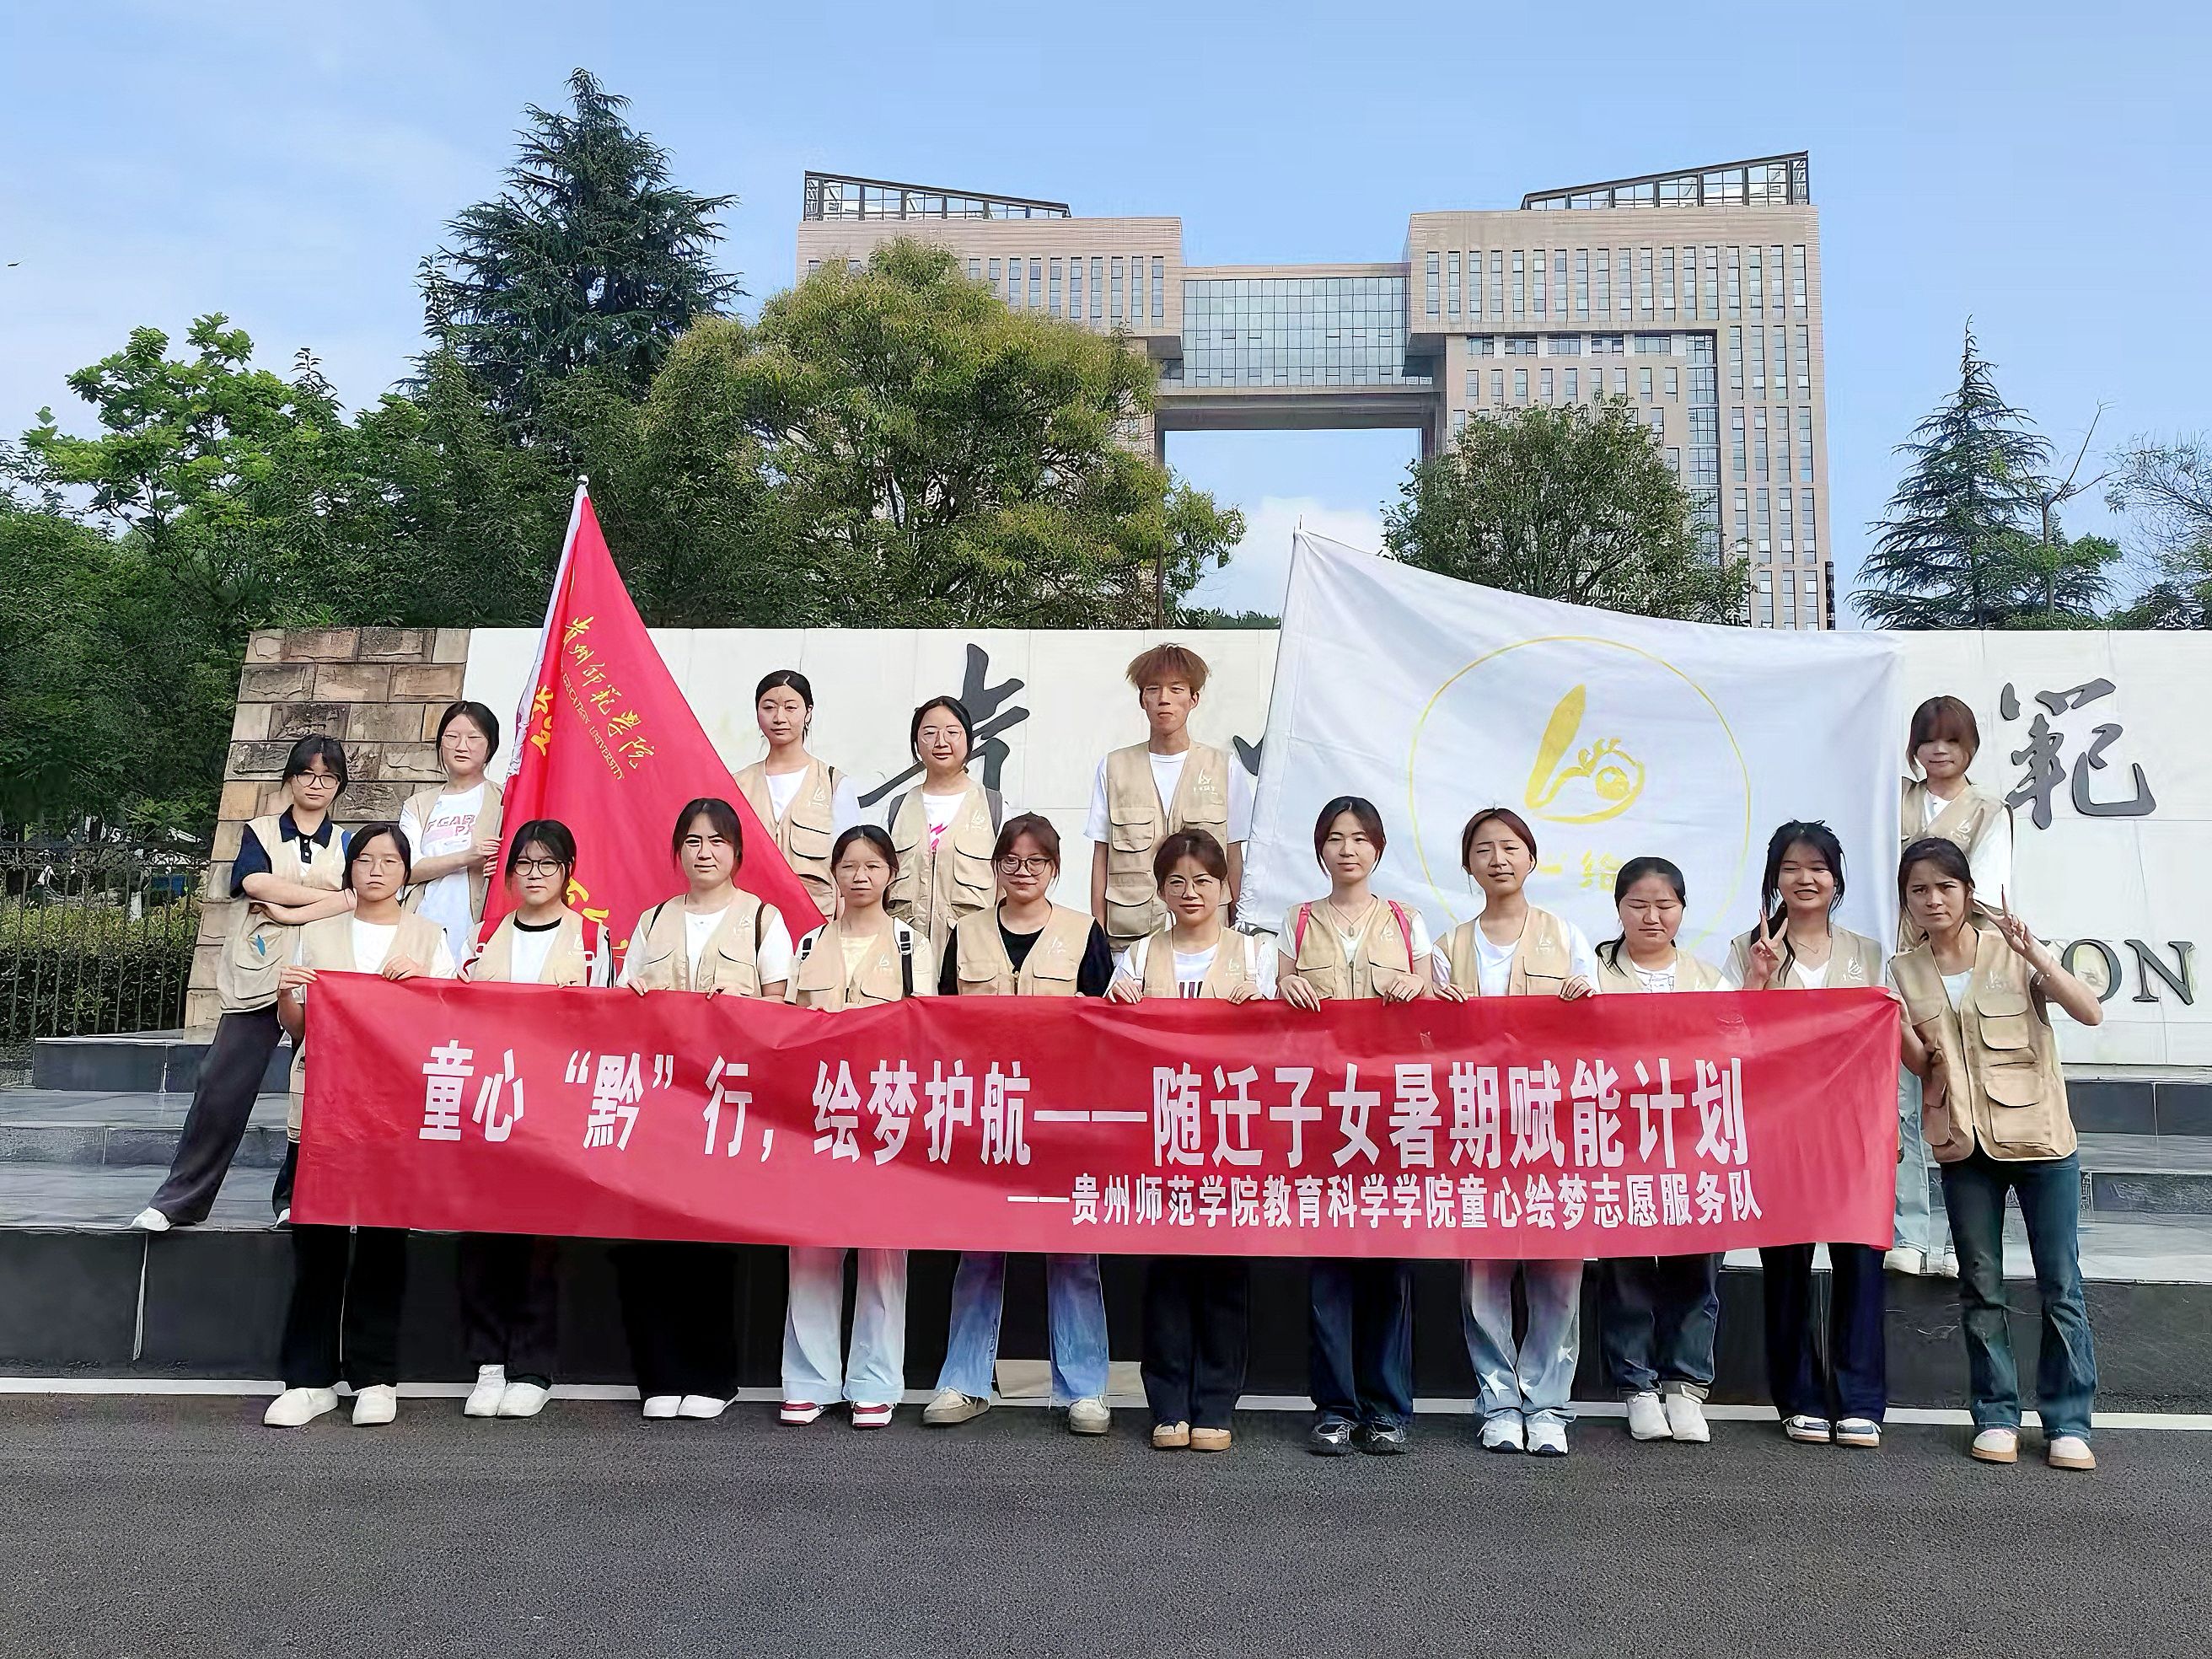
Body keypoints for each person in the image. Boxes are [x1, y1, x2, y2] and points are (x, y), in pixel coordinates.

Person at [1892, 838, 2102, 1471]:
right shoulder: (1904, 971)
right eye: (1919, 890)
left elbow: (2089, 1012)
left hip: (2041, 1139)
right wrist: (1891, 1023)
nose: (1933, 900)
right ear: (1906, 899)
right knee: (1980, 1285)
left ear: (1967, 891)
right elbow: (1921, 1064)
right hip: (1964, 1146)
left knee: (2060, 1284)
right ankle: (1997, 1415)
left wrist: (2035, 952)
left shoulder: (2011, 949)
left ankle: (2068, 1423)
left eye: (1945, 887)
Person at [925, 813, 1116, 1436]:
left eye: (1036, 861)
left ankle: (1085, 1390)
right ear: (996, 867)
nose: (1023, 870)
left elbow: (1107, 1031)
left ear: (1054, 869)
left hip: (1063, 1115)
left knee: (1073, 1251)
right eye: (1011, 860)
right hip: (987, 1112)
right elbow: (943, 1025)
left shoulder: (1084, 933)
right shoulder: (967, 932)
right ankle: (963, 1381)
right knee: (979, 1249)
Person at [262, 823, 455, 1427]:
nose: (376, 870)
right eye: (365, 859)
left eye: (390, 861)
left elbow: (450, 1022)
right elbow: (298, 1026)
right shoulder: (317, 934)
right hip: (323, 1107)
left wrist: (424, 986)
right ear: (349, 869)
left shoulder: (429, 937)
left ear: (406, 872)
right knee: (316, 1243)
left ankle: (374, 1376)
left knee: (381, 1246)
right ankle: (308, 1378)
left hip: (393, 1111)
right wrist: (286, 995)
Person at [616, 798, 794, 1421]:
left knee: (711, 1243)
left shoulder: (762, 920)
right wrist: (634, 994)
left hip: (726, 1102)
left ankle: (713, 1377)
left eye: (717, 841)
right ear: (678, 852)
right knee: (651, 1241)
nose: (704, 852)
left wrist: (743, 1003)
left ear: (737, 852)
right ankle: (659, 1376)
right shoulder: (652, 920)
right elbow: (621, 1005)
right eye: (693, 841)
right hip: (660, 1103)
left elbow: (783, 1013)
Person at [136, 735, 356, 1233]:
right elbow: (255, 883)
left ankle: (299, 1198)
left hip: (323, 973)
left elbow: (356, 897)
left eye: (328, 777)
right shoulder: (260, 832)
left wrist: (290, 907)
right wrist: (327, 898)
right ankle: (179, 1201)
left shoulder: (346, 842)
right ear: (291, 779)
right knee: (222, 1084)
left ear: (339, 786)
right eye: (307, 774)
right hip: (260, 972)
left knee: (317, 1090)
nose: (317, 785)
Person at [1435, 806, 1600, 1458]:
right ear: (1468, 865)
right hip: (1478, 1127)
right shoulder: (1448, 947)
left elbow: (1602, 1036)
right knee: (1485, 1274)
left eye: (1510, 847)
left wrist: (1587, 1005)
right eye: (1484, 849)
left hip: (1552, 1124)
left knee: (1558, 1272)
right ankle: (1499, 1402)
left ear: (1532, 858)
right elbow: (1425, 1048)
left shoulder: (1567, 936)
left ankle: (1549, 1405)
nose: (1498, 859)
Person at [1723, 820, 1889, 1449]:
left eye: (1818, 868)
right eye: (1791, 868)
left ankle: (1861, 1401)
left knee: (1859, 1264)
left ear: (1837, 879)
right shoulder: (1748, 949)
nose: (1805, 879)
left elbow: (1887, 1045)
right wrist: (1758, 981)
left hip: (1854, 1131)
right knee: (1788, 1269)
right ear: (1775, 879)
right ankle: (1798, 1397)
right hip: (1781, 1130)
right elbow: (1731, 1040)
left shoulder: (1868, 954)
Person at [1107, 829, 1271, 1452]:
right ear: (1160, 891)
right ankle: (1169, 1403)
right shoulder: (1139, 957)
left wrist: (1265, 1006)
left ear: (1225, 887)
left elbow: (1287, 1046)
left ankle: (1216, 1404)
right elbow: (1111, 1043)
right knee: (1167, 1274)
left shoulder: (1256, 956)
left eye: (1203, 880)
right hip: (1162, 1136)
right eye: (1176, 881)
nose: (1191, 892)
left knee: (1225, 1272)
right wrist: (1117, 1002)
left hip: (1234, 1135)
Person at [1277, 797, 1433, 1457]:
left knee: (1388, 1271)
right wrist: (1285, 989)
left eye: (1360, 838)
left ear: (1378, 849)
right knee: (1330, 1273)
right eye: (1336, 838)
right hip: (1321, 1114)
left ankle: (1387, 1409)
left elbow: (1433, 1010)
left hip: (1391, 1115)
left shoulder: (1405, 920)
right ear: (1320, 849)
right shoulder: (1296, 921)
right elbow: (1277, 1007)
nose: (1348, 849)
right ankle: (1335, 1409)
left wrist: (1417, 988)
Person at [455, 819, 611, 1422]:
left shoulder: (592, 940)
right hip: (487, 1107)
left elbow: (608, 1027)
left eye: (548, 864)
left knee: (540, 1242)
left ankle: (531, 1368)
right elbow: (452, 1013)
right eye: (524, 864)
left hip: (552, 1112)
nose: (535, 874)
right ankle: (488, 1363)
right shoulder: (483, 936)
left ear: (568, 873)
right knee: (482, 1239)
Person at [781, 825, 932, 1431]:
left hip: (887, 1114)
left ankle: (875, 1382)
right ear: (835, 873)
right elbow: (785, 1030)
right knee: (810, 1248)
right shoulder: (807, 944)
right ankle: (808, 1380)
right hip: (818, 1113)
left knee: (882, 1252)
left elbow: (926, 1035)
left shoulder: (911, 946)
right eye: (849, 865)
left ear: (890, 873)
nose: (860, 876)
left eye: (872, 866)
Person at [1588, 856, 1726, 1446]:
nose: (1651, 916)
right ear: (1618, 909)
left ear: (1682, 910)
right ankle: (1637, 1386)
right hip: (1618, 1142)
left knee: (1697, 1264)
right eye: (1638, 905)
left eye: (1664, 905)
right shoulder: (1590, 973)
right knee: (1626, 1268)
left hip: (1694, 1142)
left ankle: (1686, 1385)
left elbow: (1742, 1048)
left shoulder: (1707, 978)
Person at [1893, 695, 2012, 1278]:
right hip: (1900, 964)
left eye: (1952, 740)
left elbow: (1988, 892)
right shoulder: (1894, 799)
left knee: (1960, 1098)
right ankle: (1909, 1233)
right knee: (1903, 1102)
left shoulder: (1989, 811)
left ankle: (1961, 1242)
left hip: (1960, 966)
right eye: (1928, 739)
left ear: (1970, 747)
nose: (1939, 750)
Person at [1086, 642, 1255, 952]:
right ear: (1142, 700)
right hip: (1129, 939)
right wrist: (1097, 932)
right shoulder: (1113, 767)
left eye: (1176, 689)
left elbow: (1234, 856)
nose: (1164, 699)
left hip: (1210, 939)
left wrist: (1239, 930)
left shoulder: (1224, 768)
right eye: (1153, 689)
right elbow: (1101, 855)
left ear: (1194, 699)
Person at [734, 669, 862, 921]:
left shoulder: (834, 784)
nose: (779, 717)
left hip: (815, 922)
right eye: (768, 707)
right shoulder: (737, 785)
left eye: (790, 708)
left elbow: (850, 864)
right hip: (748, 922)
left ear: (808, 713)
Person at [885, 696, 1006, 963]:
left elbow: (1007, 889)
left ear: (968, 740)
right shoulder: (897, 808)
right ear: (917, 743)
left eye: (952, 732)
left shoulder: (994, 807)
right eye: (929, 733)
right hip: (904, 955)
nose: (941, 742)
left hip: (971, 955)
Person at [400, 700, 506, 971]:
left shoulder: (505, 800)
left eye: (473, 738)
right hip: (423, 921)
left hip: (479, 927)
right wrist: (468, 856)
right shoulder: (418, 805)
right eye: (452, 737)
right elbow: (407, 869)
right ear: (440, 744)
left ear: (490, 746)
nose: (461, 746)